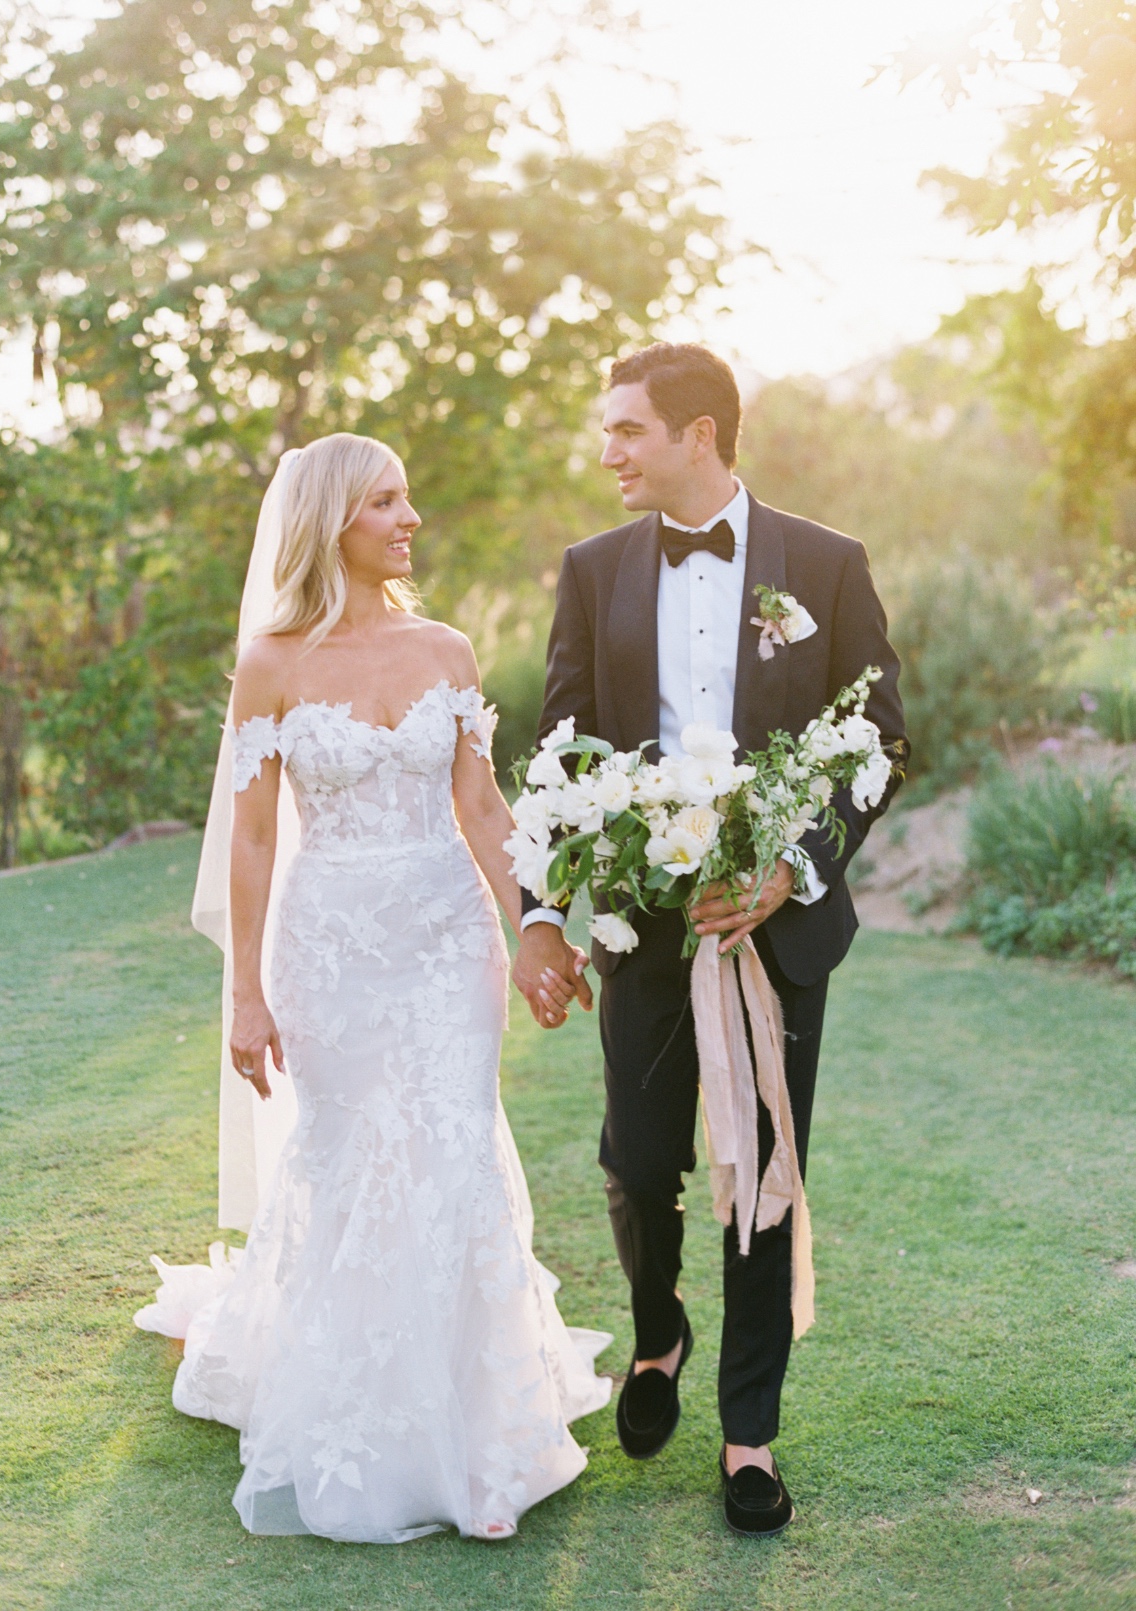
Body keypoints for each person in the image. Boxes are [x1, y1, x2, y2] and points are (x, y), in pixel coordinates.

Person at [135, 432, 609, 1545]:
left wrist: (537, 927)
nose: (412, 520)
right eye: (388, 502)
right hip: (331, 944)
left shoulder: (446, 649)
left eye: (407, 498)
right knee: (353, 1157)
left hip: (448, 937)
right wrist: (245, 995)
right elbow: (254, 842)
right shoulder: (274, 664)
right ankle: (361, 1409)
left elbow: (484, 812)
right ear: (333, 520)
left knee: (452, 1147)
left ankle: (484, 1435)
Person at [512, 343, 908, 1535]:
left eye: (627, 429)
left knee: (759, 1175)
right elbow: (558, 743)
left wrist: (793, 868)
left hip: (776, 936)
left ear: (700, 435)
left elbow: (881, 737)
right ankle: (658, 1331)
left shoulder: (827, 565)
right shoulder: (592, 570)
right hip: (646, 926)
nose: (608, 451)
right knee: (640, 1160)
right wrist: (544, 909)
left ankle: (749, 1435)